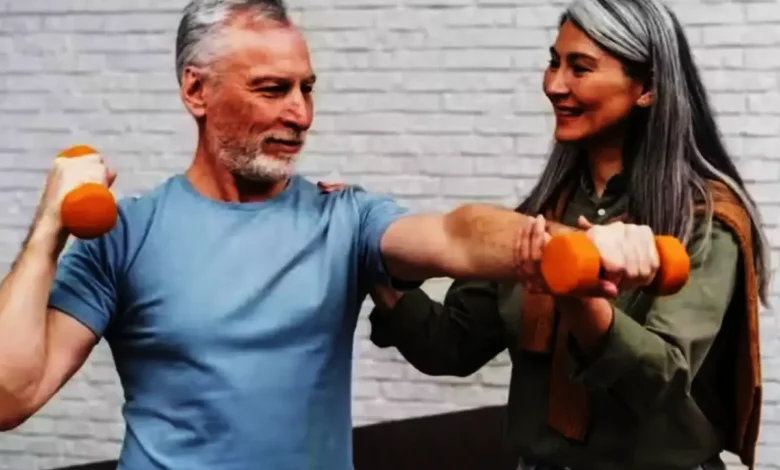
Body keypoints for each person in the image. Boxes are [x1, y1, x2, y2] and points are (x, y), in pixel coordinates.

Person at [0, 1, 662, 470]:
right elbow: (11, 397)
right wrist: (47, 231)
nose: (300, 113)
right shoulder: (127, 234)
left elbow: (457, 236)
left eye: (307, 89)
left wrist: (564, 246)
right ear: (196, 91)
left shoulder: (342, 218)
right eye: (272, 90)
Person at [361, 1, 772, 470]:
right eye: (554, 62)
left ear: (648, 88)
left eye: (580, 68)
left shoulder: (704, 219)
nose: (555, 85)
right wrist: (367, 243)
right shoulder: (541, 216)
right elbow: (450, 345)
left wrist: (577, 293)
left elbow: (658, 381)